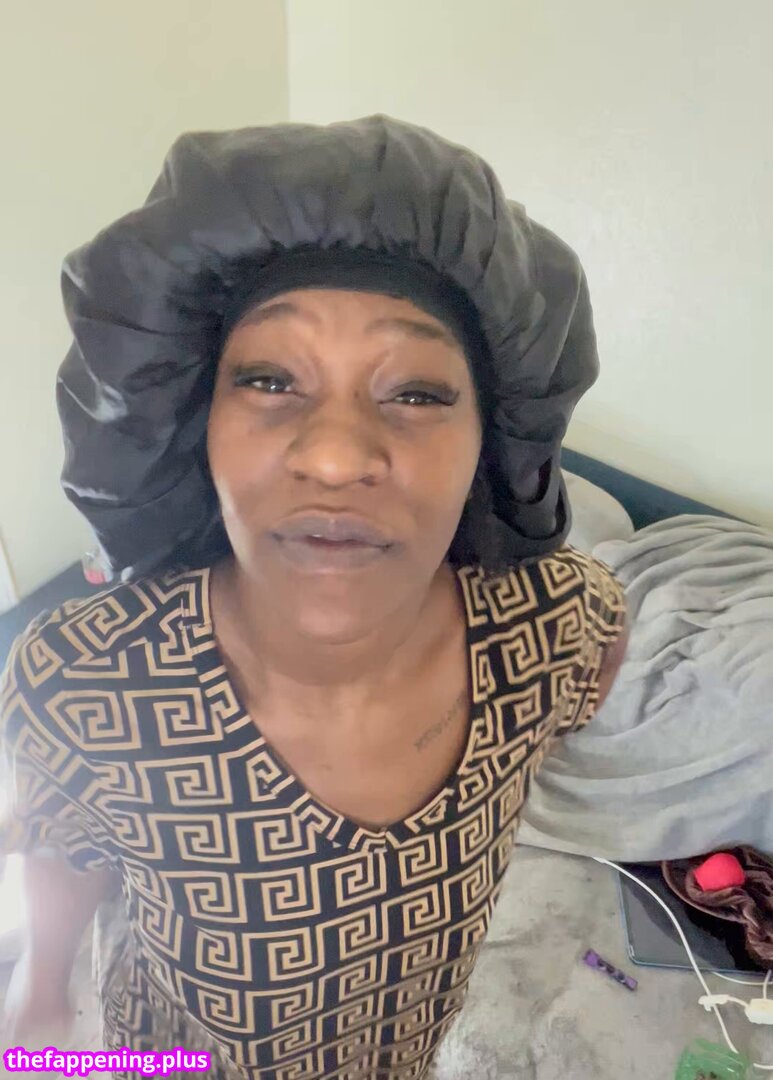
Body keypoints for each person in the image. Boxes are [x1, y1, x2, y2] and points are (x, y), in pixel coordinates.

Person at [0, 116, 628, 1079]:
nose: (335, 457)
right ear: (196, 421)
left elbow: (589, 664)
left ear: (491, 441)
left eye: (416, 392)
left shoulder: (555, 626)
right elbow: (65, 847)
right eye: (268, 379)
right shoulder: (83, 681)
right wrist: (42, 991)